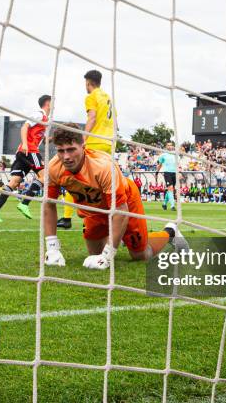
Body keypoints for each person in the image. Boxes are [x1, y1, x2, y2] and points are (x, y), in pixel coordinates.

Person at [43, 126, 185, 269]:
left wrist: (107, 256)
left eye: (71, 149)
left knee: (141, 255)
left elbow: (120, 210)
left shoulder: (103, 167)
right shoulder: (54, 167)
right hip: (94, 210)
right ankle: (119, 237)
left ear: (83, 146)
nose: (66, 157)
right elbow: (49, 204)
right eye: (61, 151)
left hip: (125, 202)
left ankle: (170, 232)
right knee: (94, 253)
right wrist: (52, 248)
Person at [57, 69, 115, 230]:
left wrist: (83, 139)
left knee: (71, 178)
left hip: (95, 142)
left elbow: (92, 117)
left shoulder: (91, 96)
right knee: (101, 183)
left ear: (88, 82)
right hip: (108, 143)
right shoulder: (108, 98)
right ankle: (99, 220)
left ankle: (67, 217)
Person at [0, 94, 51, 222]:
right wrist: (26, 144)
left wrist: (56, 138)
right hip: (29, 150)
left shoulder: (45, 120)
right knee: (45, 176)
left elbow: (43, 140)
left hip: (23, 152)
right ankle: (24, 203)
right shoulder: (39, 114)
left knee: (15, 181)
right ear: (48, 103)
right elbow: (24, 127)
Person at [156, 141, 177, 211]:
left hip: (174, 173)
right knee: (170, 188)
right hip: (167, 173)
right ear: (166, 147)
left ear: (173, 146)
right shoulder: (163, 155)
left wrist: (179, 172)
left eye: (171, 145)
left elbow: (177, 165)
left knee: (170, 190)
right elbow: (160, 165)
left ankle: (164, 203)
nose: (170, 146)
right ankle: (172, 205)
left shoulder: (175, 155)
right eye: (168, 145)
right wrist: (157, 172)